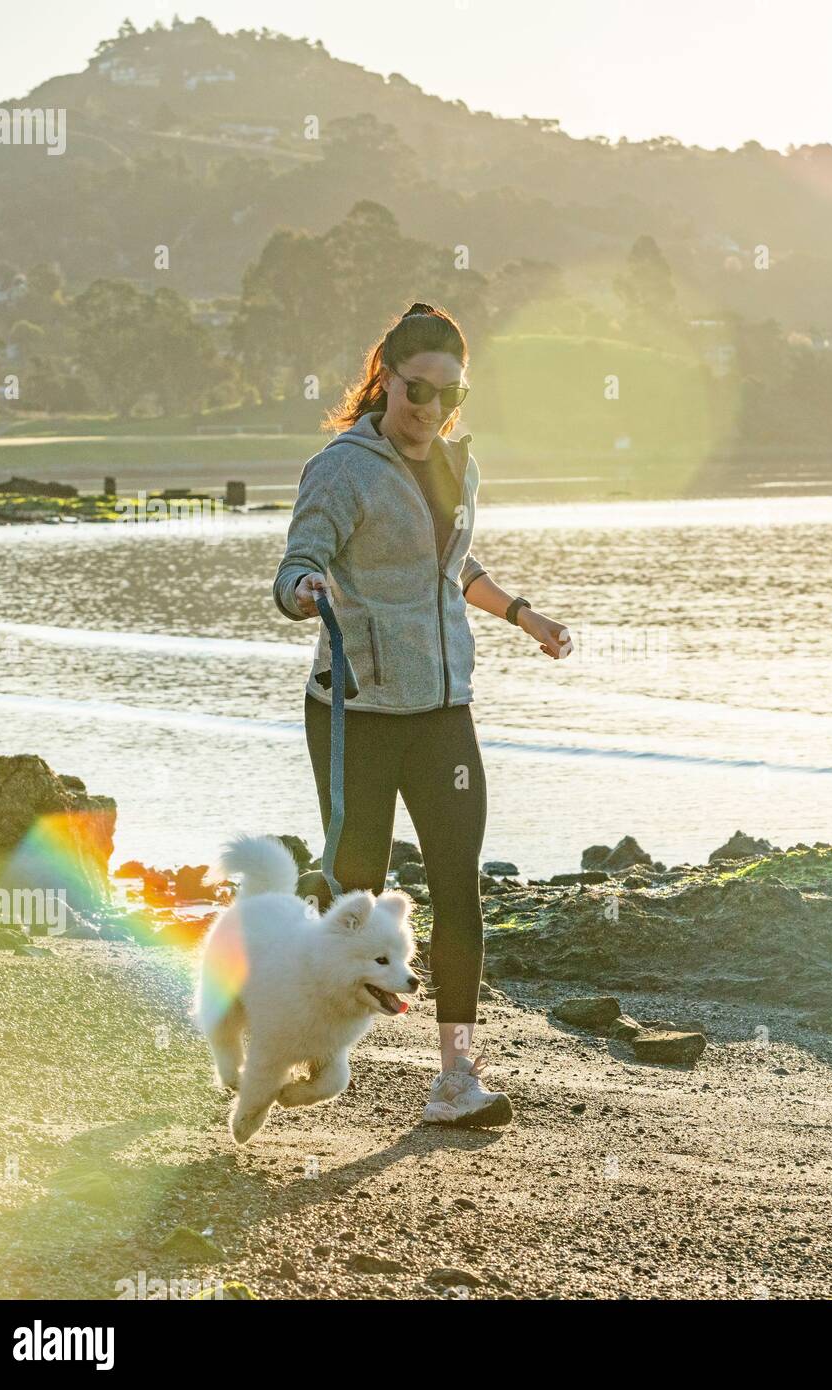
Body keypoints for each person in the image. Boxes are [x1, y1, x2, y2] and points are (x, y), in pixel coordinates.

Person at [272, 301, 572, 1126]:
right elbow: (300, 556)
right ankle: (289, 1031)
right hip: (357, 712)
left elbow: (452, 563)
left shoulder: (456, 467)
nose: (430, 409)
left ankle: (455, 1079)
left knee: (458, 887)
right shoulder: (341, 468)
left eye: (449, 393)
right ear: (386, 376)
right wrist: (304, 591)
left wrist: (522, 616)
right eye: (416, 389)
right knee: (354, 893)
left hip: (444, 712)